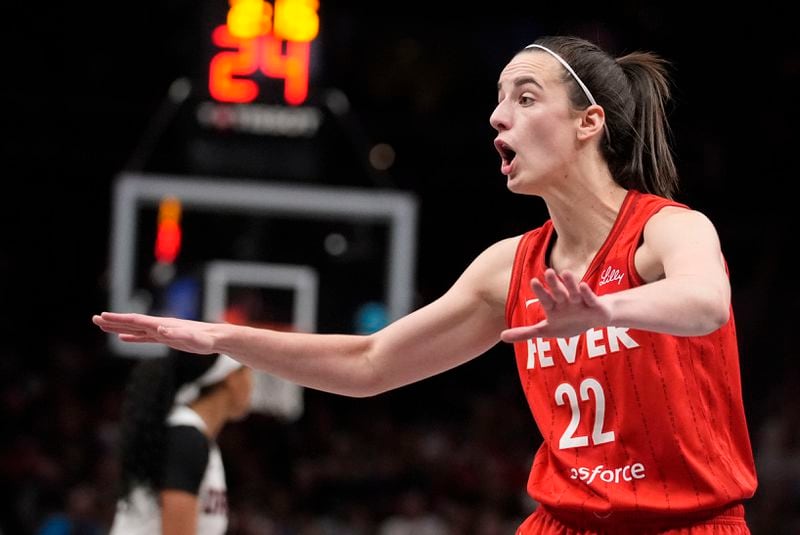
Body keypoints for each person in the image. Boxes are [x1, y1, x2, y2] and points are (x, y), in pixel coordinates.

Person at [93, 35, 758, 533]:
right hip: (565, 521)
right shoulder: (508, 267)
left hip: (691, 522)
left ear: (589, 123)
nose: (499, 117)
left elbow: (704, 302)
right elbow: (371, 361)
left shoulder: (668, 228)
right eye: (498, 101)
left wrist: (604, 311)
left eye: (525, 98)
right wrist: (222, 336)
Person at [108, 350, 253, 535]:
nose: (253, 384)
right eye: (249, 372)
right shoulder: (186, 437)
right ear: (232, 378)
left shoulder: (194, 435)